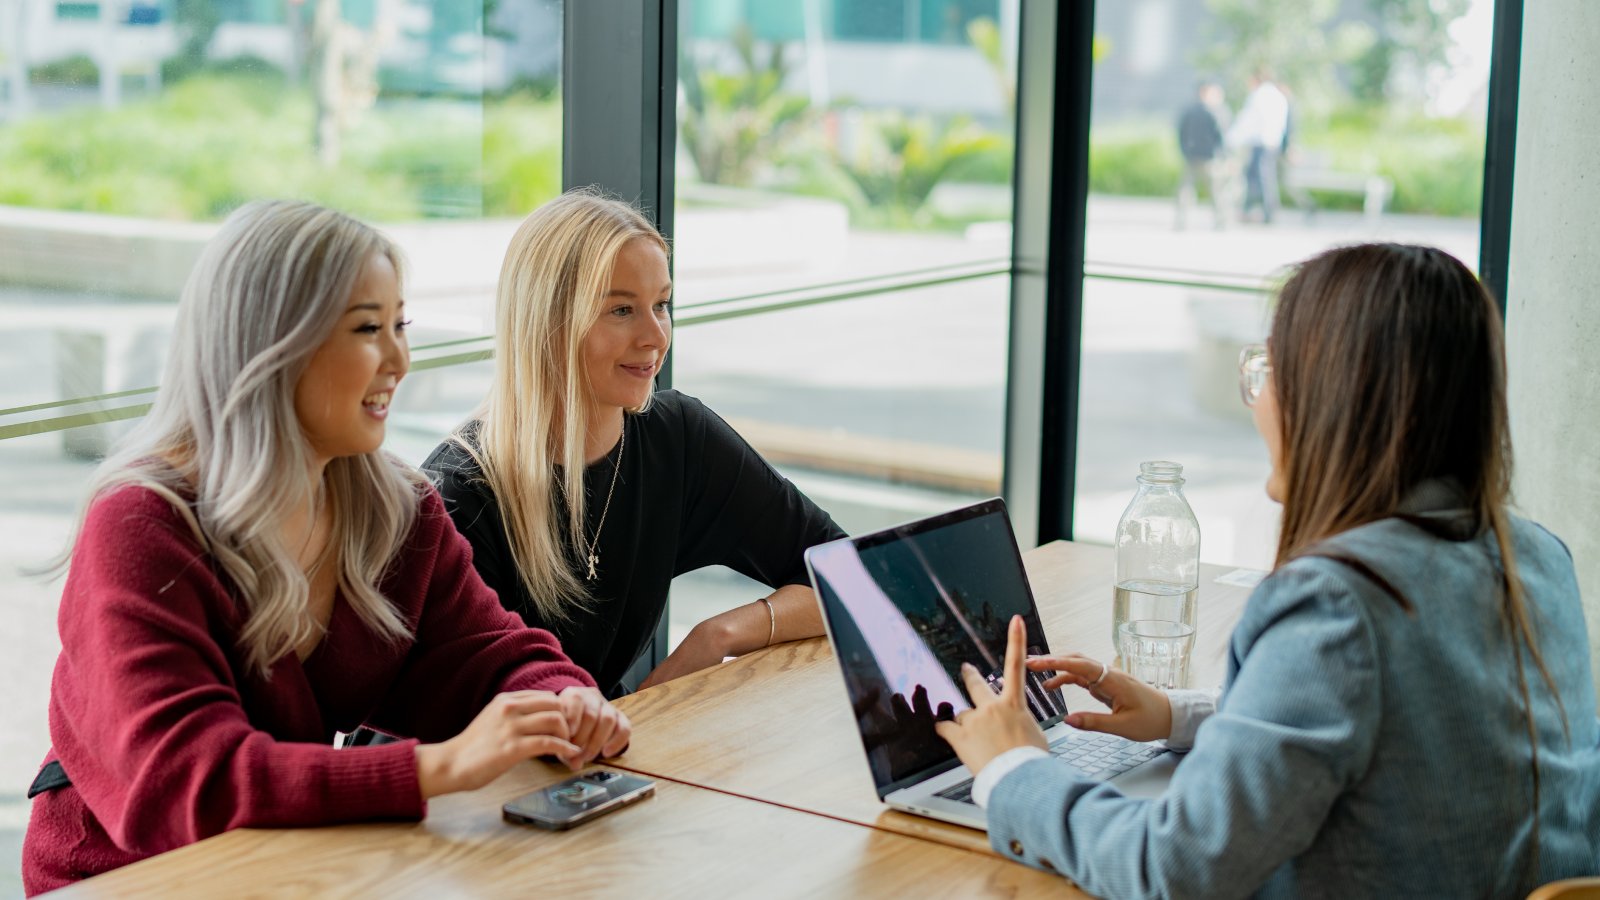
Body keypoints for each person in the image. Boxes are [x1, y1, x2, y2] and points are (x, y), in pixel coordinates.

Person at [936, 243, 1600, 898]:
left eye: (1270, 370)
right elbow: (1402, 729)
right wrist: (1177, 715)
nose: (1258, 399)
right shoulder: (1538, 557)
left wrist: (1014, 767)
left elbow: (1171, 869)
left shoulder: (1339, 602)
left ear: (1333, 399)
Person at [22, 201, 631, 895]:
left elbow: (491, 655)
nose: (399, 360)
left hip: (293, 865)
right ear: (271, 346)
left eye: (400, 326)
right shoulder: (140, 524)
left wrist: (564, 701)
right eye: (369, 329)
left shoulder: (394, 509)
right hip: (125, 877)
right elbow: (192, 781)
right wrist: (442, 767)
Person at [424, 189, 845, 698]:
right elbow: (461, 717)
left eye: (661, 304)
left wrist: (720, 634)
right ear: (548, 323)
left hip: (596, 738)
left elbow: (856, 576)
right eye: (622, 309)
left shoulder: (679, 440)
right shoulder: (458, 496)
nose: (655, 336)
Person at [1228, 68, 1288, 223]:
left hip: (1261, 142)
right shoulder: (1278, 95)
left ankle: (1265, 211)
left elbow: (1248, 120)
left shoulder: (1258, 95)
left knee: (1259, 178)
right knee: (1261, 176)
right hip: (1273, 142)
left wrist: (1232, 139)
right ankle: (1254, 209)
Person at [1176, 82, 1227, 230]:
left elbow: (1181, 133)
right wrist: (1223, 155)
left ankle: (1181, 222)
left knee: (1187, 191)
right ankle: (1221, 222)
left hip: (1192, 156)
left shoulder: (1188, 110)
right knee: (1216, 192)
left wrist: (1184, 151)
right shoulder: (1216, 111)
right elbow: (1222, 136)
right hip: (1211, 158)